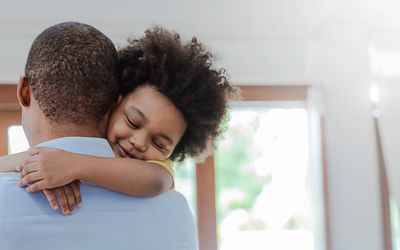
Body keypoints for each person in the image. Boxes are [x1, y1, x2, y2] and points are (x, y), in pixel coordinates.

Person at [0, 22, 198, 250]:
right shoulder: (177, 214)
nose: (138, 142)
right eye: (132, 121)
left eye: (159, 143)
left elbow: (155, 180)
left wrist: (72, 164)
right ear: (116, 104)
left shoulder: (156, 176)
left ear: (24, 91)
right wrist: (41, 163)